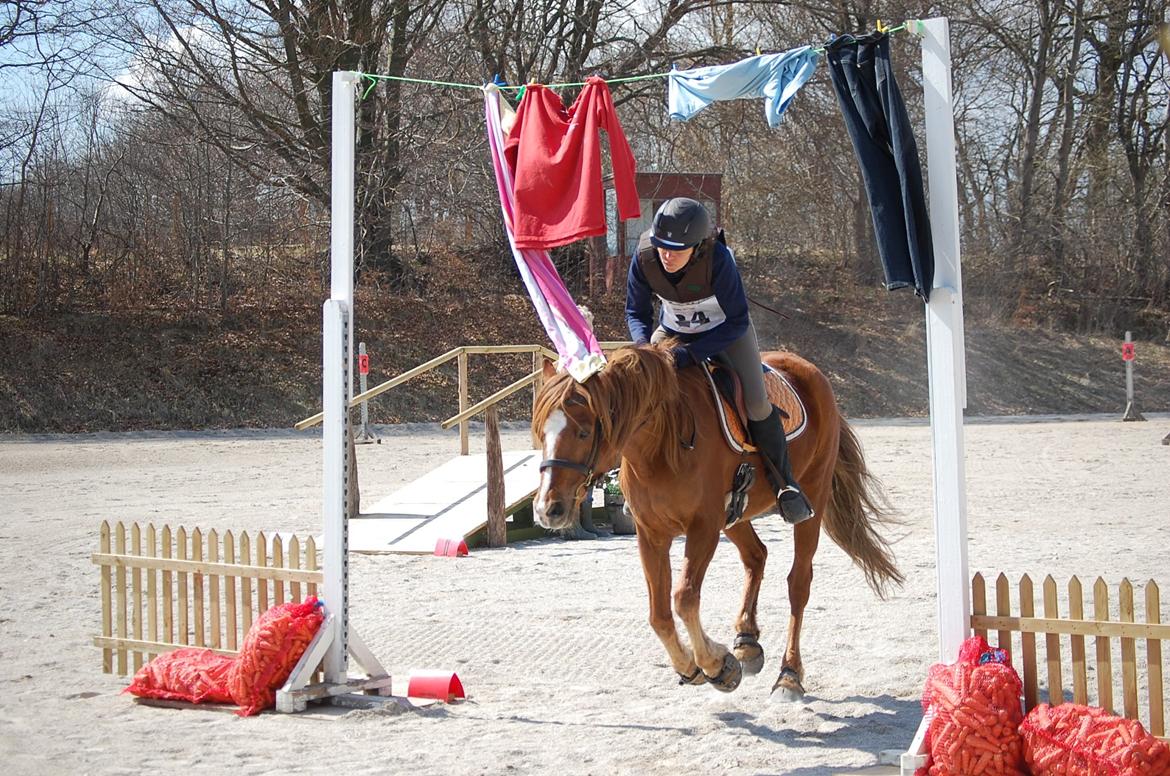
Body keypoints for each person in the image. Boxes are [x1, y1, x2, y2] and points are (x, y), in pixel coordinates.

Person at [624, 197, 814, 524]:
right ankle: (630, 482)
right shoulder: (644, 257)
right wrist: (644, 349)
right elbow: (635, 312)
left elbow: (737, 322)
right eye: (662, 247)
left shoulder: (719, 260)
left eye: (677, 249)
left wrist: (689, 355)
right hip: (673, 332)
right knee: (638, 390)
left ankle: (785, 485)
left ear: (697, 246)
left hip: (725, 333)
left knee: (756, 403)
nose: (667, 256)